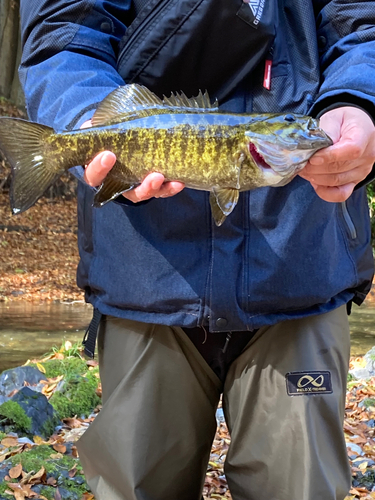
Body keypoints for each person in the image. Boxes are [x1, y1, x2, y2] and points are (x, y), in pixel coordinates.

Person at [18, 0, 375, 499]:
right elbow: (65, 31)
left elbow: (364, 29)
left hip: (303, 264)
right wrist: (86, 121)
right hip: (142, 270)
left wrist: (359, 101)